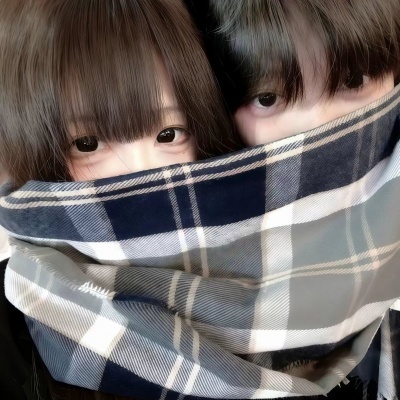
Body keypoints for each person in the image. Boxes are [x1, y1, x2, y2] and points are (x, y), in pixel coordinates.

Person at [0, 0, 241, 399]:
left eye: (168, 134)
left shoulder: (262, 264)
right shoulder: (17, 318)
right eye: (88, 144)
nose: (142, 176)